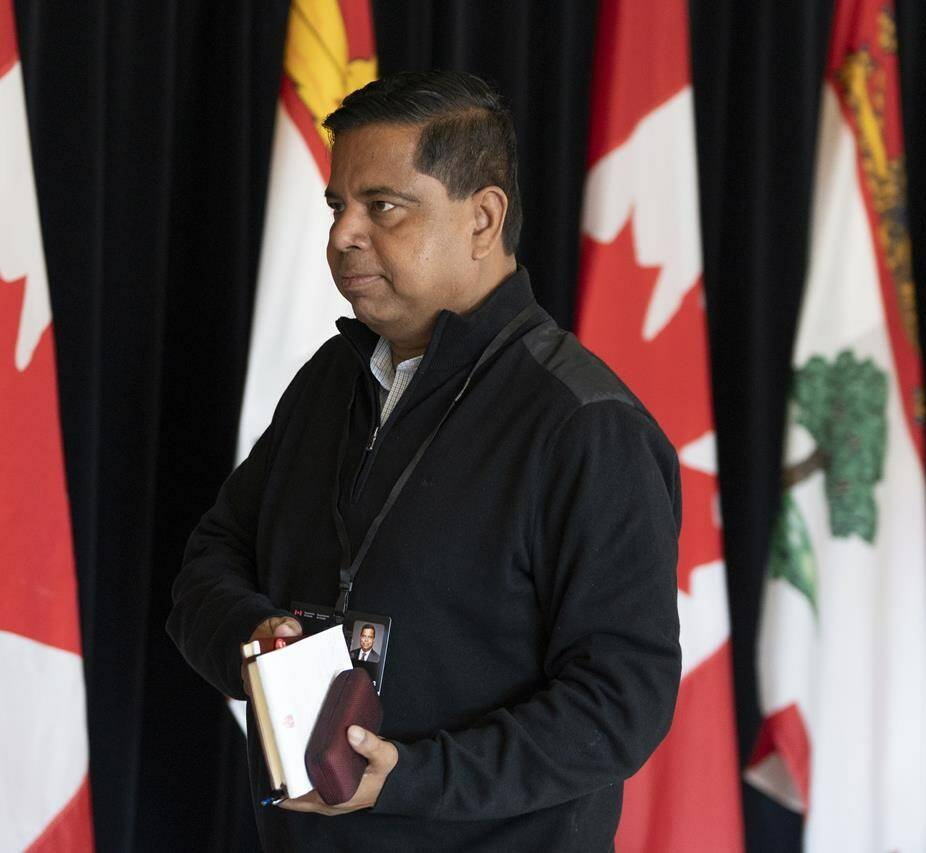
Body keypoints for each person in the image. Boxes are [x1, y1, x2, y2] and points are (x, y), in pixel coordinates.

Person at [167, 70, 681, 851]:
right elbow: (207, 566)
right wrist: (256, 637)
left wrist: (409, 774)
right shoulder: (326, 384)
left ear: (483, 217)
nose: (343, 234)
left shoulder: (587, 426)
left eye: (383, 207)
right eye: (339, 206)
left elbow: (618, 706)